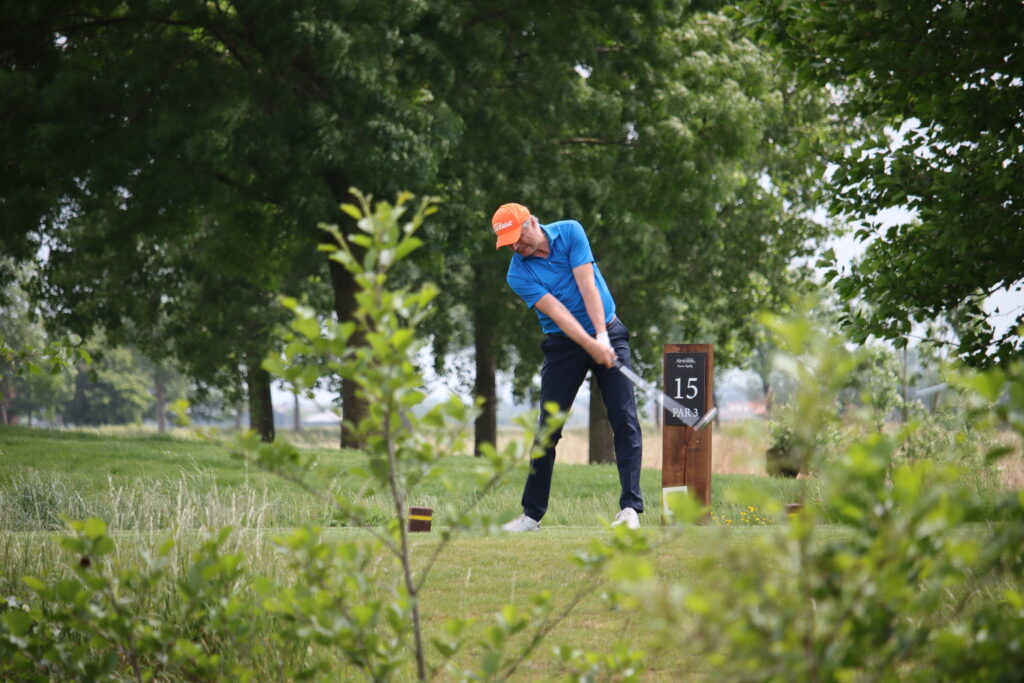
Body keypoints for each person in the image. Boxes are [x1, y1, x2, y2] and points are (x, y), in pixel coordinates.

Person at [490, 202, 644, 531]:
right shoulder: (517, 273)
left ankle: (630, 508)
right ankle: (532, 514)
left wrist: (602, 336)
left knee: (624, 419)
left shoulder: (571, 231)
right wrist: (590, 344)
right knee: (548, 428)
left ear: (532, 221)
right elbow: (559, 313)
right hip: (564, 344)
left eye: (519, 237)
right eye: (509, 244)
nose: (517, 246)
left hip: (608, 329)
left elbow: (587, 285)